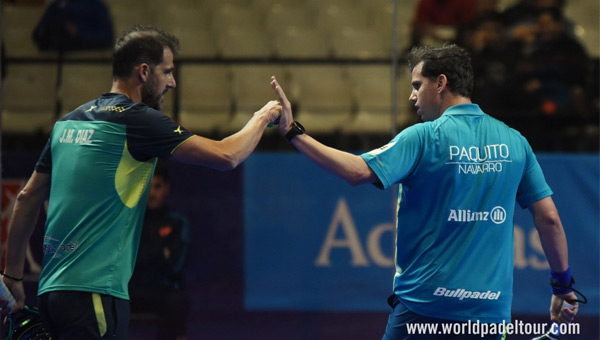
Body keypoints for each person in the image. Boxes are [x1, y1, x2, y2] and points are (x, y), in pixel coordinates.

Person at [269, 44, 579, 339]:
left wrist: (293, 132)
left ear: (441, 83)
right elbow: (549, 219)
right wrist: (562, 286)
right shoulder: (515, 141)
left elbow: (356, 171)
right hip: (490, 314)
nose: (411, 96)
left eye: (417, 85)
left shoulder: (423, 137)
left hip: (424, 310)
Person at [2, 25, 280, 340]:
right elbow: (227, 155)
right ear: (144, 71)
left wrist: (13, 275)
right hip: (96, 295)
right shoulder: (137, 120)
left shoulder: (66, 123)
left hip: (51, 295)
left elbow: (26, 199)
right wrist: (264, 115)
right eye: (168, 71)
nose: (173, 82)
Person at [129, 162, 190, 340]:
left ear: (166, 188)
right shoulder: (130, 222)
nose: (152, 193)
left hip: (162, 291)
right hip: (130, 290)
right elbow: (125, 262)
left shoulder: (177, 223)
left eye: (157, 186)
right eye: (147, 187)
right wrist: (160, 253)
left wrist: (144, 256)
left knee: (179, 300)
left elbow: (175, 266)